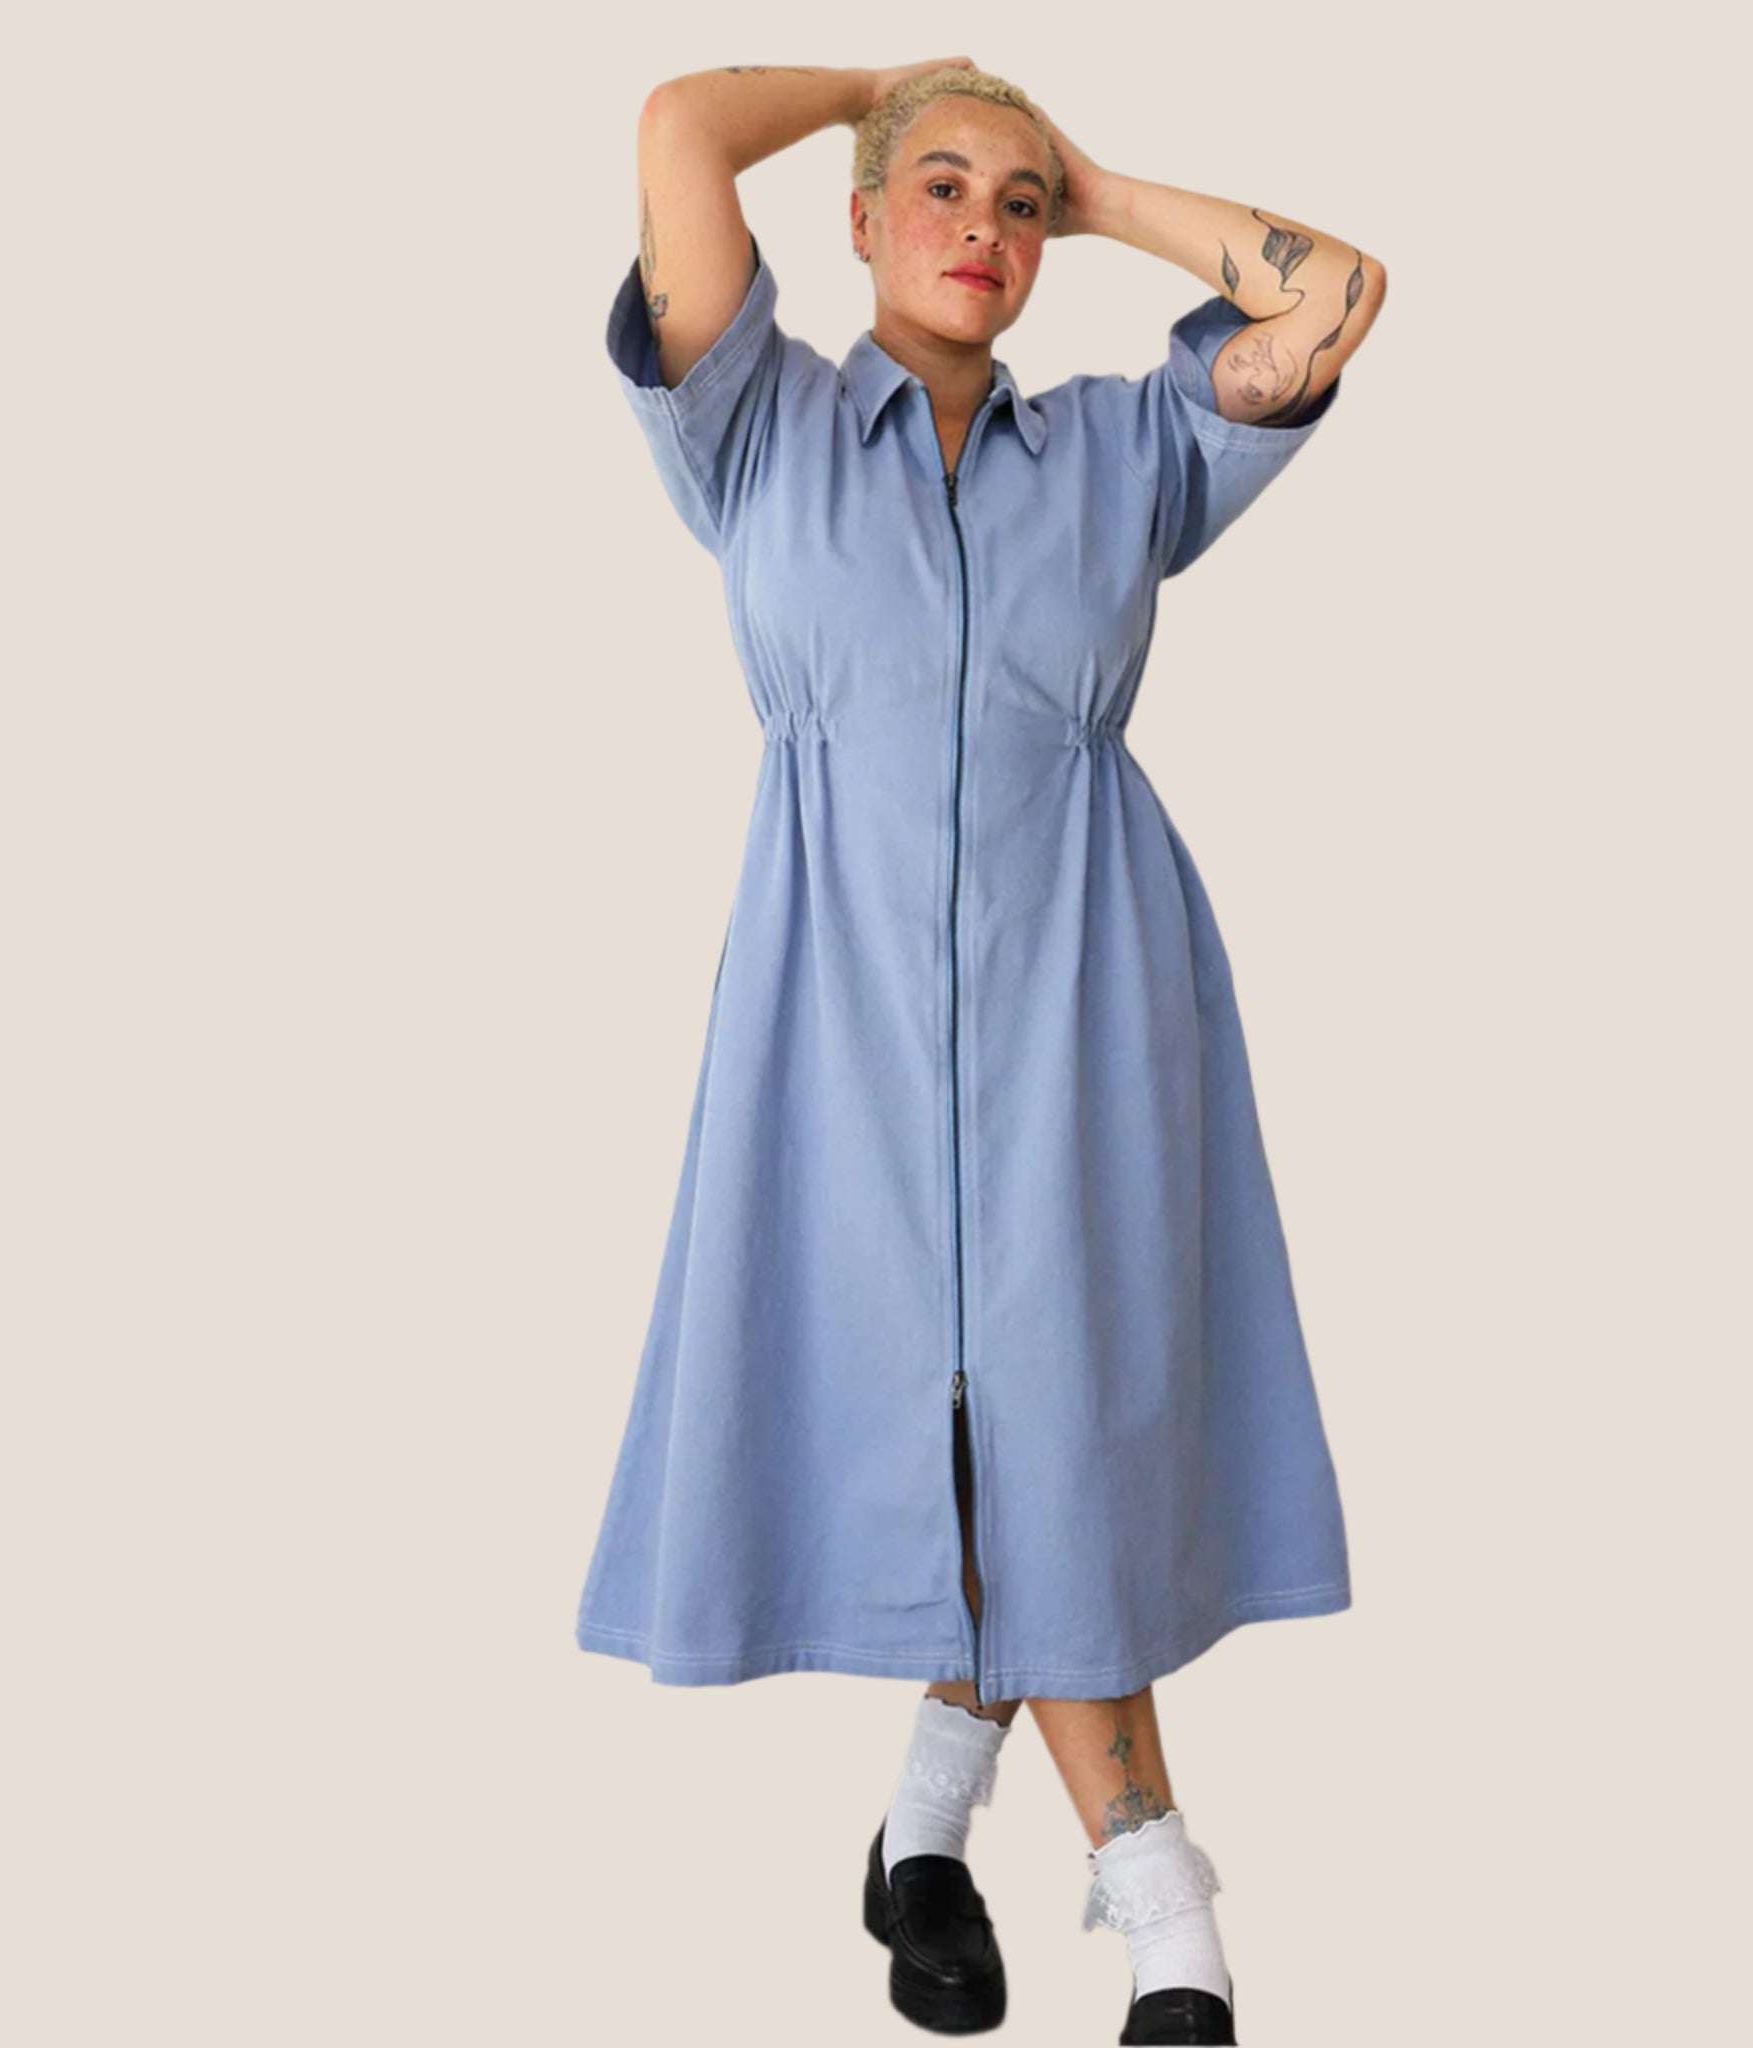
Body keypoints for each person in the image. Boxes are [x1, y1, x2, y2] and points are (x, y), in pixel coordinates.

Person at [576, 56, 1386, 2045]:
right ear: (858, 221)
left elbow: (1337, 291)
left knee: (1058, 1425)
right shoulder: (756, 422)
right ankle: (1052, 1863)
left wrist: (1086, 180)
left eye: (1013, 207)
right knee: (961, 1430)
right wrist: (892, 89)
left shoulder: (1121, 451)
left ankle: (1055, 1875)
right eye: (935, 189)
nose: (980, 226)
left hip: (1090, 992)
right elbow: (680, 125)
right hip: (835, 1003)